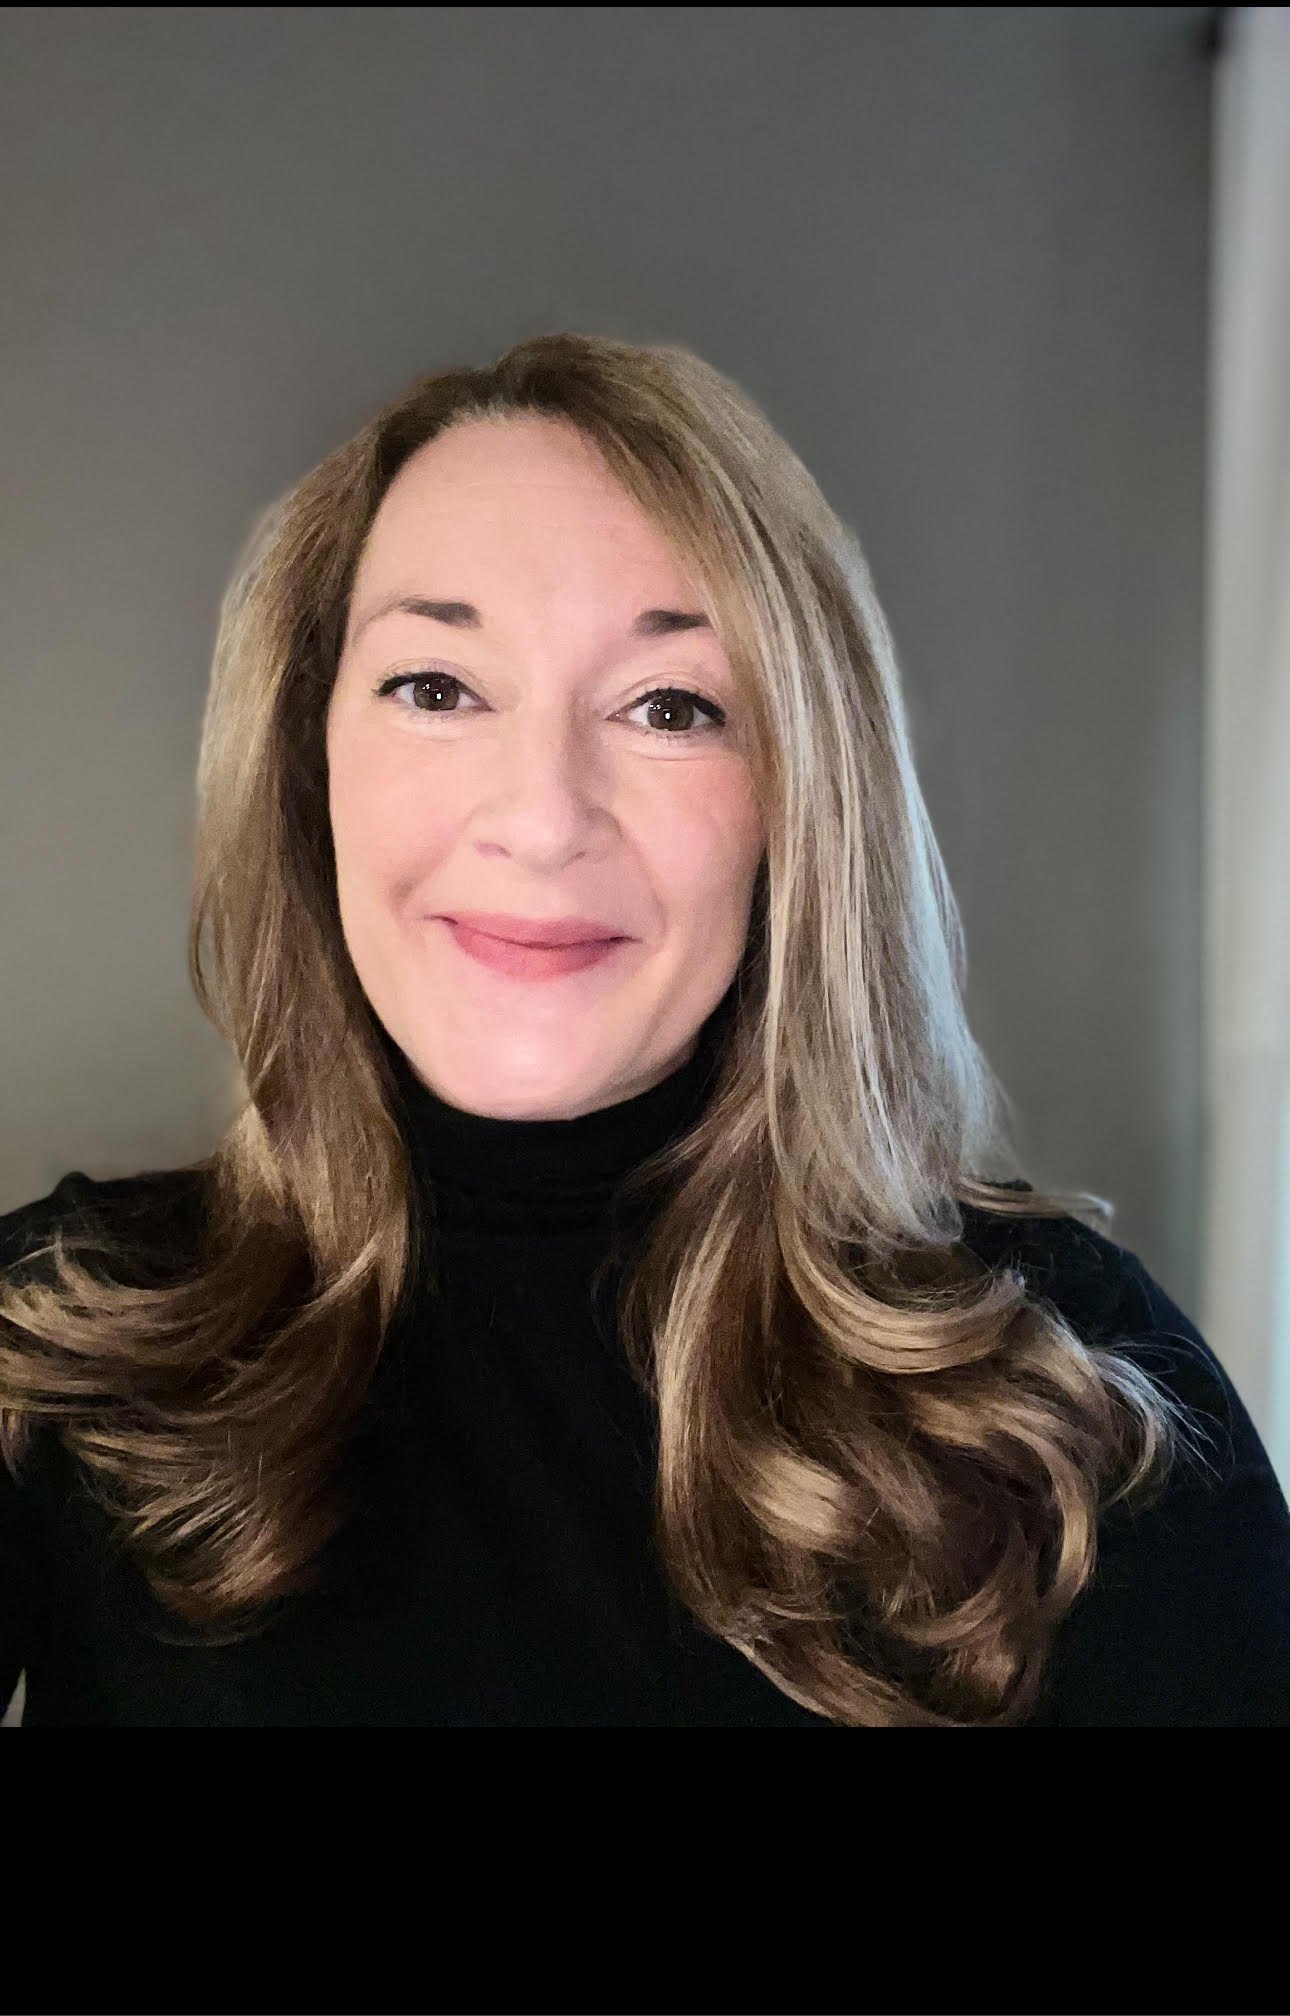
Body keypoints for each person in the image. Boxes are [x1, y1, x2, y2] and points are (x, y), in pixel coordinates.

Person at [2, 330, 1287, 1728]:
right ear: (308, 764)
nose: (543, 817)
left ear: (796, 802)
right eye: (435, 689)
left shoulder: (1063, 1389)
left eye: (670, 708)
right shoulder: (63, 1346)